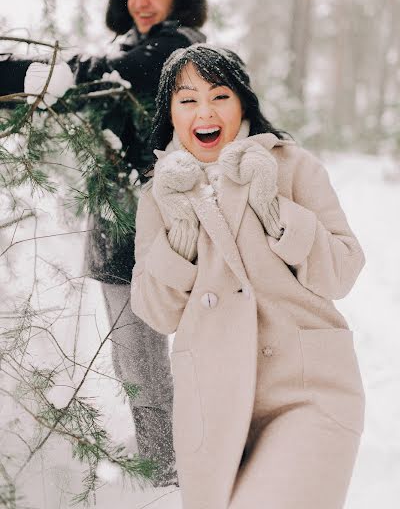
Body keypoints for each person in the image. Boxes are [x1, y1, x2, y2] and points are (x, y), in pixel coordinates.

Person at [0, 0, 208, 489]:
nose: (143, 0)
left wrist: (11, 74)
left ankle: (169, 467)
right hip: (119, 220)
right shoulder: (125, 48)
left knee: (152, 347)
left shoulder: (176, 51)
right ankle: (165, 453)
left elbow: (90, 75)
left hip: (161, 223)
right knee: (132, 348)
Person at [131, 44, 366, 509]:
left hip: (308, 389)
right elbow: (157, 312)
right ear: (171, 114)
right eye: (188, 99)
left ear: (242, 103)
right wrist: (180, 232)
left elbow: (342, 270)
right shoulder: (161, 192)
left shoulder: (291, 166)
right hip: (214, 406)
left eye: (220, 95)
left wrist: (273, 208)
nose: (205, 111)